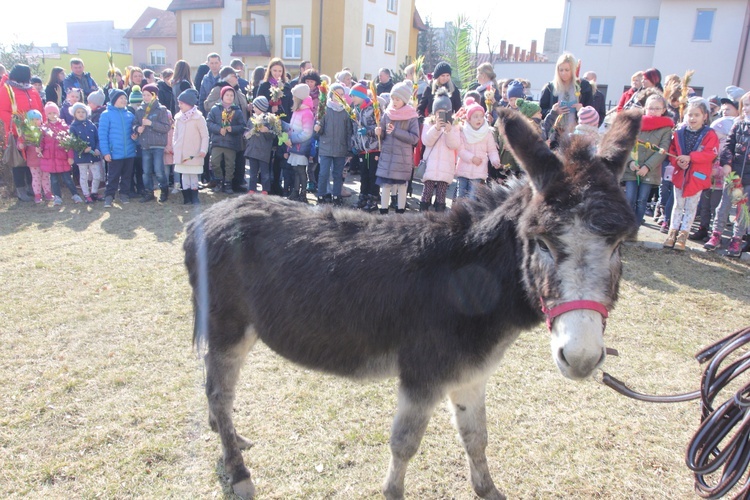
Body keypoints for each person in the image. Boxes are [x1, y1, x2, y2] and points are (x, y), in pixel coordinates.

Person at [663, 97, 719, 251]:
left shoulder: (709, 134)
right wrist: (677, 161)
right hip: (680, 174)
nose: (693, 118)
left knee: (691, 206)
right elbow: (672, 150)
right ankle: (672, 232)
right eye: (690, 115)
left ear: (704, 116)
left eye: (697, 115)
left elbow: (710, 153)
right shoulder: (680, 132)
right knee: (677, 205)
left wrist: (691, 157)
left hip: (697, 176)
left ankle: (683, 234)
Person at [704, 91, 750, 257]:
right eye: (744, 105)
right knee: (724, 206)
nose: (746, 108)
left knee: (743, 209)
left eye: (749, 105)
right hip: (734, 175)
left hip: (748, 178)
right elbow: (728, 146)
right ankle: (716, 234)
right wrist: (726, 163)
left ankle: (737, 239)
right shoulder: (738, 125)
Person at [622, 94, 673, 227]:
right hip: (632, 168)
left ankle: (636, 226)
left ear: (663, 110)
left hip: (650, 171)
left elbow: (663, 150)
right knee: (629, 198)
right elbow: (627, 143)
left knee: (642, 199)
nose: (653, 111)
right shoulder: (635, 123)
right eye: (650, 108)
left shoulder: (666, 128)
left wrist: (648, 166)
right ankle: (625, 225)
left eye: (657, 108)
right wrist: (630, 162)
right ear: (645, 108)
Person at [0, 64, 45, 202]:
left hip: (33, 130)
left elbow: (40, 108)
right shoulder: (7, 89)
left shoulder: (31, 89)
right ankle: (21, 189)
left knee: (32, 160)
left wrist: (40, 123)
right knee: (19, 161)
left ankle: (33, 187)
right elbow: (2, 111)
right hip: (17, 131)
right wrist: (18, 123)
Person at [374, 80, 419, 214]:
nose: (394, 101)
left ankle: (400, 211)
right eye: (393, 98)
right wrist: (379, 132)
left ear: (404, 100)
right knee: (386, 185)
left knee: (401, 185)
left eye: (397, 99)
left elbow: (414, 138)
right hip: (388, 156)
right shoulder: (388, 114)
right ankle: (383, 210)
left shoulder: (411, 116)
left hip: (402, 158)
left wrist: (396, 131)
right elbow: (382, 135)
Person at [419, 88, 460, 212]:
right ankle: (423, 215)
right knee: (427, 191)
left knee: (441, 194)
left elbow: (454, 144)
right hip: (431, 164)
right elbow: (426, 141)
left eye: (444, 112)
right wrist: (436, 128)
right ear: (434, 112)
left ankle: (439, 217)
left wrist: (448, 131)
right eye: (438, 112)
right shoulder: (428, 124)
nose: (441, 115)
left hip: (446, 165)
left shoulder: (455, 125)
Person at [257, 58, 293, 195]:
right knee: (267, 155)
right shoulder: (264, 86)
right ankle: (267, 184)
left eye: (280, 70)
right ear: (270, 70)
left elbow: (289, 106)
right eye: (274, 70)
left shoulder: (287, 87)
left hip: (282, 123)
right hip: (267, 123)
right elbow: (258, 105)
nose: (277, 73)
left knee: (279, 155)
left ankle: (277, 183)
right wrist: (269, 110)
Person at [455, 97, 499, 201]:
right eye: (475, 117)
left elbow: (492, 150)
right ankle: (458, 215)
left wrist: (495, 160)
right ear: (469, 119)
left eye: (481, 116)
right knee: (460, 195)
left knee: (472, 197)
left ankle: (469, 217)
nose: (479, 119)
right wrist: (472, 158)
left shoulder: (487, 133)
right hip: (463, 169)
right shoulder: (463, 131)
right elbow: (460, 150)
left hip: (479, 170)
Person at [134, 83, 173, 203]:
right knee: (146, 172)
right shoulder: (140, 110)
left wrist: (151, 123)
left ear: (154, 96)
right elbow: (135, 124)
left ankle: (164, 190)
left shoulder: (161, 109)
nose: (145, 97)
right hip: (145, 145)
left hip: (158, 145)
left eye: (148, 95)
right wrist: (136, 129)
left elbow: (166, 127)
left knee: (159, 170)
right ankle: (149, 192)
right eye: (144, 95)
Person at [314, 83, 352, 205]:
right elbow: (320, 131)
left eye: (342, 94)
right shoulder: (324, 109)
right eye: (337, 94)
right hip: (326, 146)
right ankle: (321, 195)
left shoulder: (346, 111)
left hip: (340, 148)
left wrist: (349, 149)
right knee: (323, 173)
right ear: (331, 95)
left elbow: (348, 132)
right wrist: (317, 128)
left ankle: (336, 196)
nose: (340, 96)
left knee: (337, 174)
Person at [99, 89, 137, 208]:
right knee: (113, 175)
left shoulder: (130, 115)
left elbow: (133, 131)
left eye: (125, 98)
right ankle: (109, 195)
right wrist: (105, 152)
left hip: (129, 152)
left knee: (127, 175)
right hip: (114, 152)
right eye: (121, 98)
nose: (124, 100)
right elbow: (102, 135)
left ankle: (124, 194)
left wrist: (135, 136)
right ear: (114, 100)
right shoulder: (106, 115)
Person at [206, 86, 246, 194]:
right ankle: (219, 181)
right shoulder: (215, 109)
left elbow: (242, 126)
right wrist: (218, 129)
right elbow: (209, 122)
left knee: (230, 164)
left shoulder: (237, 111)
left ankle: (228, 183)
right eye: (227, 95)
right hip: (217, 142)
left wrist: (232, 129)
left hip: (231, 143)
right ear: (222, 96)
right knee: (214, 162)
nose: (229, 97)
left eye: (231, 95)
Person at [39, 102, 80, 205]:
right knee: (54, 180)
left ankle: (75, 195)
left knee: (67, 179)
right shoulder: (44, 128)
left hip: (62, 158)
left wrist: (70, 157)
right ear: (46, 115)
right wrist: (39, 148)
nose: (52, 115)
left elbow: (68, 144)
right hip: (50, 159)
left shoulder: (64, 126)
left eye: (54, 113)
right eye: (50, 113)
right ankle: (57, 197)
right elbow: (41, 142)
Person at [173, 89, 209, 205]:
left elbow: (205, 136)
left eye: (182, 103)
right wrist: (175, 146)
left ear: (189, 103)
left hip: (194, 152)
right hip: (182, 152)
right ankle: (186, 196)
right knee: (184, 175)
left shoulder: (199, 118)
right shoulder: (178, 118)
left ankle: (194, 196)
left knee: (193, 175)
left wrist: (203, 149)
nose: (180, 106)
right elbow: (175, 134)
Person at [539, 53, 593, 130]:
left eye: (567, 70)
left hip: (577, 134)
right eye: (561, 70)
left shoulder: (584, 86)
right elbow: (540, 111)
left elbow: (592, 112)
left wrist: (582, 110)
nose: (564, 73)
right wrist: (553, 112)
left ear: (573, 69)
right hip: (554, 134)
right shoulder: (550, 87)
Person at [349, 82, 381, 211]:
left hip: (373, 148)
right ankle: (363, 198)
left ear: (361, 95)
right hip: (362, 149)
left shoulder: (373, 107)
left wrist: (368, 130)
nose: (352, 99)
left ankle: (373, 200)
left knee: (373, 175)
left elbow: (379, 127)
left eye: (354, 96)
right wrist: (354, 144)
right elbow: (354, 129)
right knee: (364, 175)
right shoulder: (354, 110)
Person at [281, 84, 315, 201]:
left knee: (301, 170)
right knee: (296, 170)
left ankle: (303, 194)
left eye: (294, 96)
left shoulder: (306, 113)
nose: (292, 98)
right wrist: (279, 123)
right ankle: (296, 192)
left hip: (301, 146)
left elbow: (307, 133)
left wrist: (292, 140)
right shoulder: (297, 111)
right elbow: (292, 127)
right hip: (295, 146)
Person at [68, 102, 102, 203]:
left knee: (97, 176)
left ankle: (94, 192)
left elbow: (97, 139)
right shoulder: (73, 127)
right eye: (78, 112)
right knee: (84, 177)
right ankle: (86, 195)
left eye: (83, 111)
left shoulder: (92, 125)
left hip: (93, 157)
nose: (81, 114)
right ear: (74, 114)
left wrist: (97, 149)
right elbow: (72, 142)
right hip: (82, 158)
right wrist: (82, 150)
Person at [20, 109, 53, 203]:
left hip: (45, 158)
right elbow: (21, 142)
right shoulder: (26, 132)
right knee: (36, 178)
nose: (35, 122)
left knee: (46, 177)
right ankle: (37, 194)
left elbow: (49, 143)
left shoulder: (44, 131)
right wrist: (21, 146)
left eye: (37, 119)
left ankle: (47, 192)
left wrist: (43, 148)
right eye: (32, 120)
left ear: (41, 120)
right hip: (33, 160)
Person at [244, 96, 275, 194]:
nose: (253, 108)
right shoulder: (252, 119)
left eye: (255, 106)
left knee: (265, 173)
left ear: (261, 107)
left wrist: (267, 131)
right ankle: (252, 189)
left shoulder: (269, 119)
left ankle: (265, 190)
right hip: (253, 150)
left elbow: (273, 136)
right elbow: (246, 132)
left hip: (263, 151)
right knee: (253, 172)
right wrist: (247, 134)